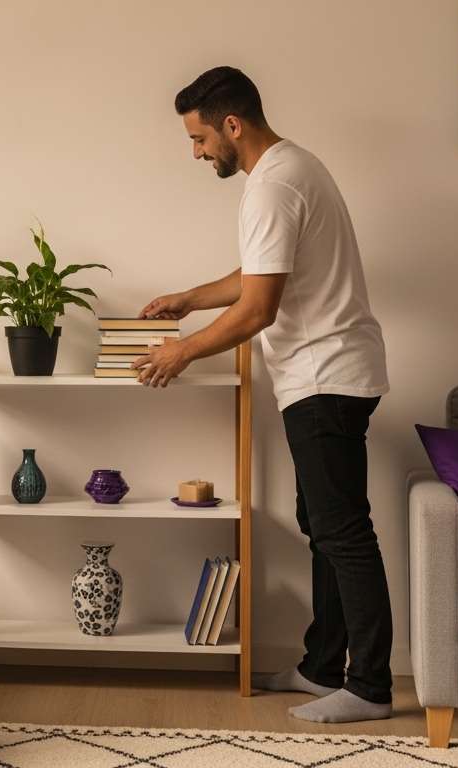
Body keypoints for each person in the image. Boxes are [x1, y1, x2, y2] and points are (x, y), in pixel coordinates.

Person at [134, 67, 392, 723]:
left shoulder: (272, 186)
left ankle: (368, 686)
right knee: (322, 527)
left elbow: (258, 310)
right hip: (330, 373)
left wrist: (182, 351)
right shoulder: (292, 167)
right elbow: (261, 272)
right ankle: (322, 665)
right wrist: (187, 299)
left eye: (198, 139)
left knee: (342, 531)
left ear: (231, 125)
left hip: (323, 376)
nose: (196, 154)